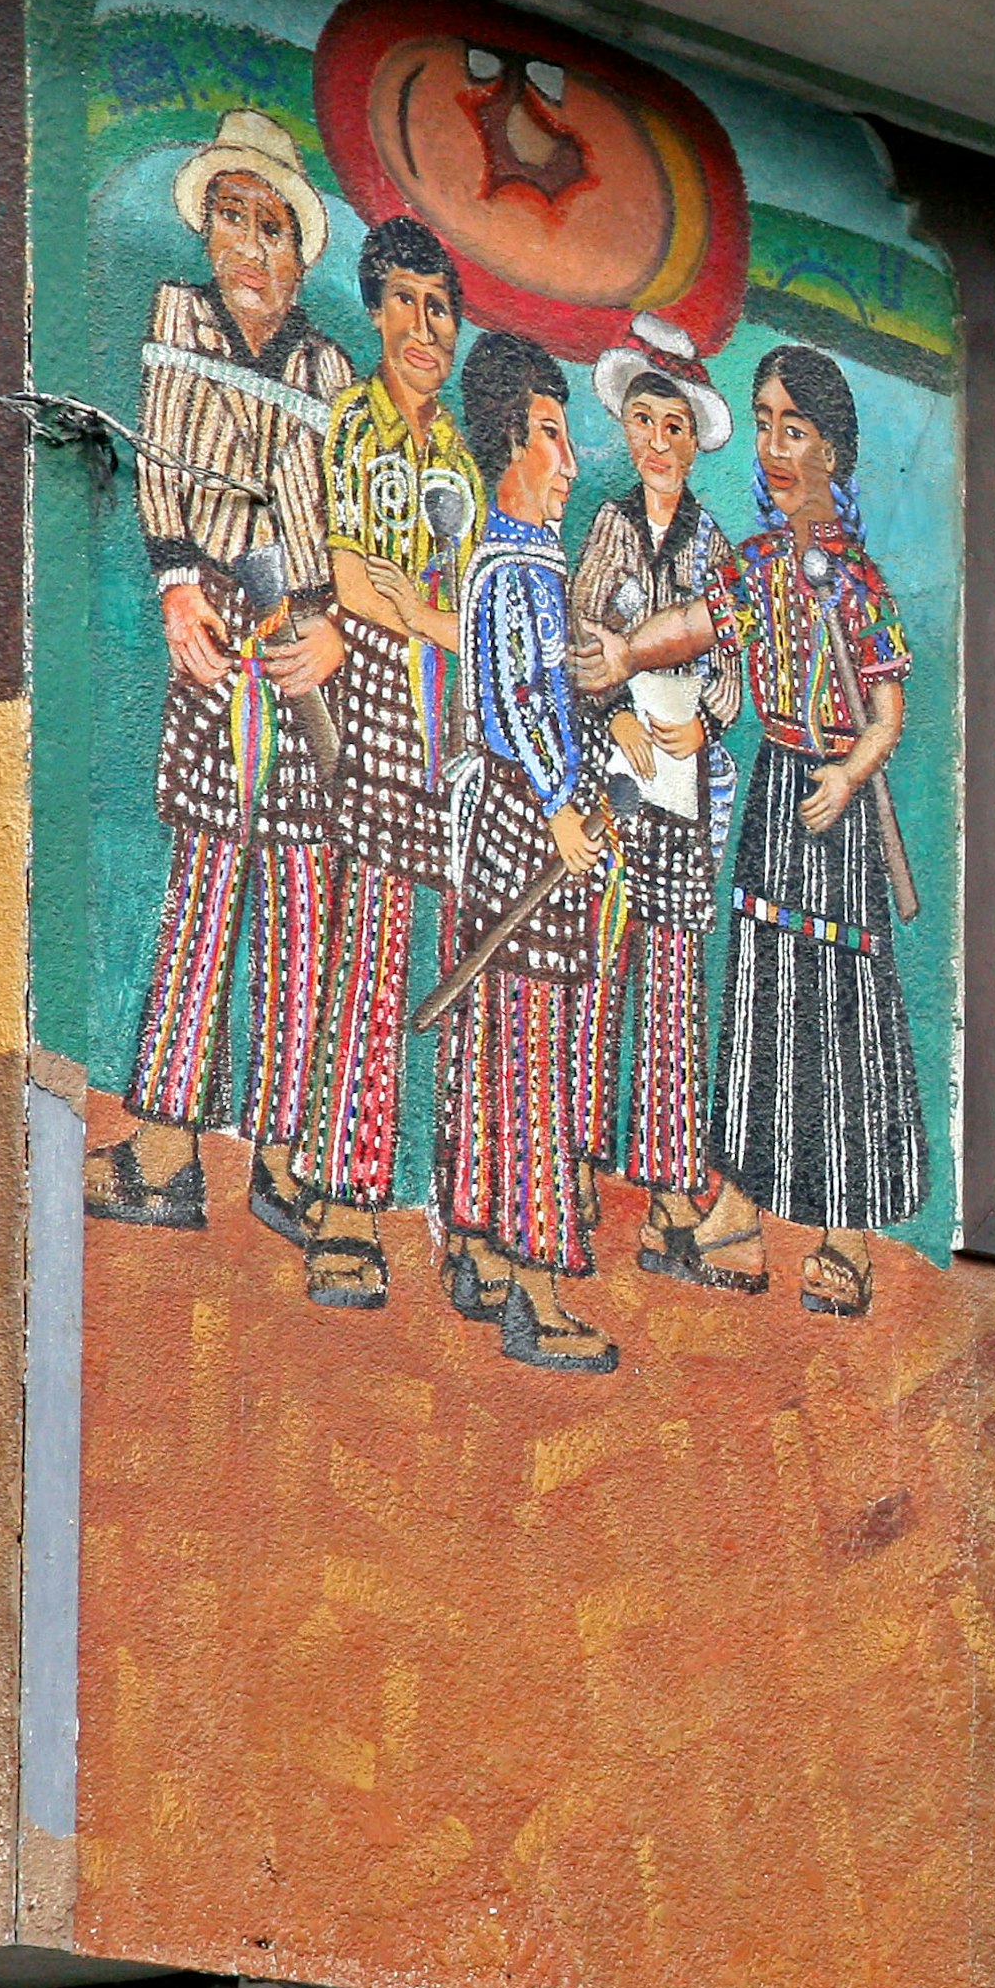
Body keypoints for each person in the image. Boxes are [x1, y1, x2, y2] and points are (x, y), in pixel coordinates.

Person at [86, 109, 355, 1237]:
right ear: (207, 237)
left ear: (300, 253)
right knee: (205, 879)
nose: (252, 248)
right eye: (233, 222)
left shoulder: (327, 366)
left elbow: (346, 528)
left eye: (273, 227)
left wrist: (337, 629)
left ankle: (284, 1154)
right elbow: (162, 461)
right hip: (212, 620)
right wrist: (174, 584)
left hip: (300, 635)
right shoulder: (178, 322)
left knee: (300, 895)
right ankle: (166, 1144)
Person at [682, 346, 927, 1316]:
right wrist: (625, 646)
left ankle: (846, 1236)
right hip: (778, 788)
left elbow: (889, 714)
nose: (777, 446)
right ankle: (738, 1209)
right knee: (759, 994)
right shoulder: (754, 566)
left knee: (844, 1009)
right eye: (767, 423)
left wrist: (852, 771)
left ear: (834, 450)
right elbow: (697, 627)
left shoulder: (854, 581)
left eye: (796, 428)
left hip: (837, 807)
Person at [297, 215, 485, 1308]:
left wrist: (428, 610)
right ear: (375, 311)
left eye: (443, 309)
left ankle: (383, 1194)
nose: (427, 328)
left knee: (411, 965)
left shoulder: (453, 454)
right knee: (357, 958)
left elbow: (452, 603)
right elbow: (357, 578)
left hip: (430, 726)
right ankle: (342, 1201)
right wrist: (427, 610)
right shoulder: (357, 424)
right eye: (409, 304)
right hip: (366, 703)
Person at [434, 333, 617, 1371]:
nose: (571, 459)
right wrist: (559, 800)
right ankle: (536, 1285)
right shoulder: (510, 566)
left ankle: (480, 1246)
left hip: (518, 817)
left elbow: (546, 696)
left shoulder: (531, 560)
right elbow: (513, 699)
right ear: (512, 439)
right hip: (523, 825)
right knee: (538, 1038)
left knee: (507, 1033)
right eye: (554, 433)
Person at [565, 316, 754, 1292]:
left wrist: (705, 725)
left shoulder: (715, 547)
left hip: (684, 790)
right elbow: (586, 644)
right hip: (618, 778)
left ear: (690, 439)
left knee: (676, 980)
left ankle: (671, 1190)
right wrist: (618, 724)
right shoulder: (607, 527)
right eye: (641, 420)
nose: (655, 439)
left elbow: (731, 674)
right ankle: (581, 1164)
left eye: (670, 424)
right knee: (601, 966)